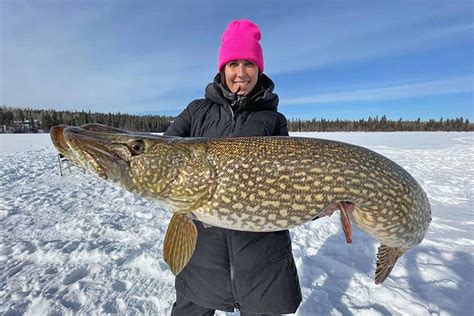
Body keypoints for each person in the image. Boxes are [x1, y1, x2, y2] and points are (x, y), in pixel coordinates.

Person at [165, 19, 302, 316]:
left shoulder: (273, 121)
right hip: (202, 258)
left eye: (249, 64)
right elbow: (165, 154)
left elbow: (292, 185)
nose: (241, 73)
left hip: (261, 263)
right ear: (222, 69)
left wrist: (321, 203)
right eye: (233, 64)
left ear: (259, 70)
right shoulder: (196, 111)